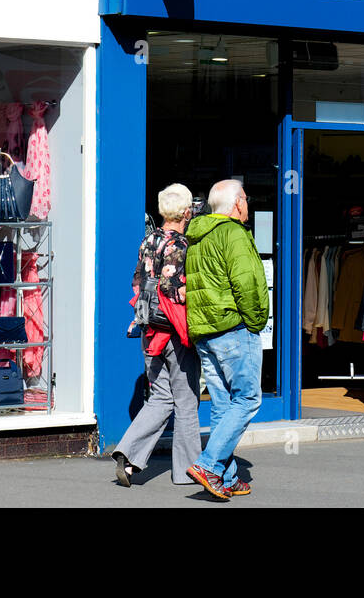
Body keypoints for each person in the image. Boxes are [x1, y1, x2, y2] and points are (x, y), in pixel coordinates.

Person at [184, 179, 268, 500]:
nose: (248, 204)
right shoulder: (233, 233)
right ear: (236, 204)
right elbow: (247, 283)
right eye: (245, 199)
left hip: (205, 332)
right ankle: (208, 465)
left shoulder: (198, 236)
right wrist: (256, 320)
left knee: (222, 405)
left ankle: (226, 476)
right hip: (233, 328)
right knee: (248, 399)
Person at [111, 183, 201, 487]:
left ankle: (129, 452)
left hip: (149, 329)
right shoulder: (183, 246)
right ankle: (188, 471)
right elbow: (176, 290)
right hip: (174, 331)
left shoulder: (147, 240)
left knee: (161, 396)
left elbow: (138, 281)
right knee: (186, 401)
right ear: (187, 211)